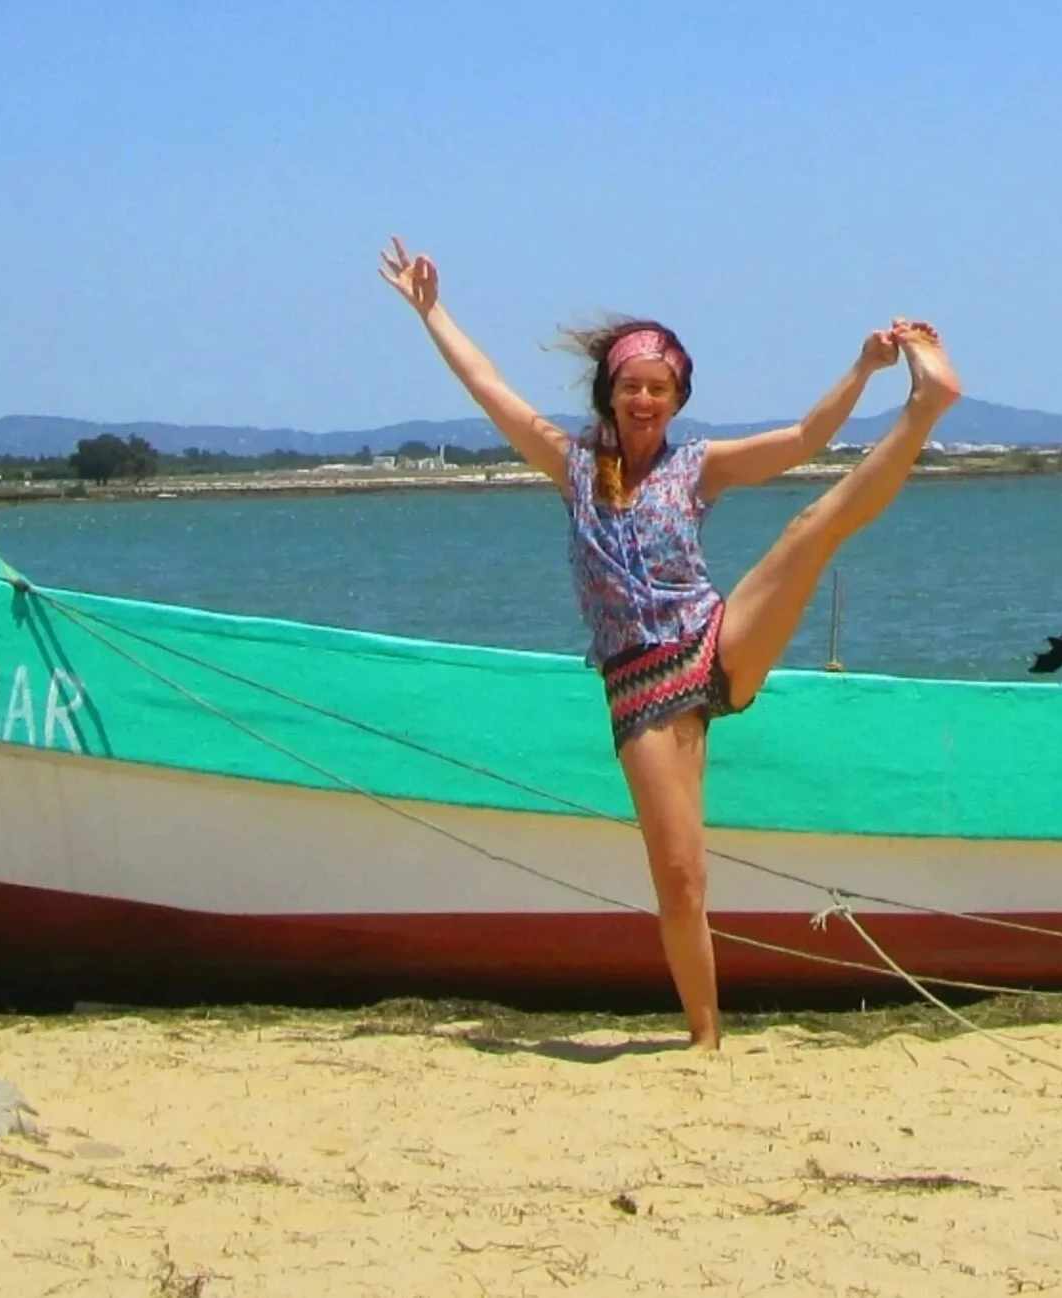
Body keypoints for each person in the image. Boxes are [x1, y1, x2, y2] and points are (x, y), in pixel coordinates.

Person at [379, 235, 960, 1049]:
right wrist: (432, 310)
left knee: (811, 526)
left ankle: (925, 407)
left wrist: (865, 369)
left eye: (659, 388)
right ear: (609, 395)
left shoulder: (698, 468)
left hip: (714, 642)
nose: (644, 400)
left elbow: (802, 439)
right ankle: (704, 1040)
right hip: (640, 689)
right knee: (681, 882)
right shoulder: (572, 464)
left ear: (677, 397)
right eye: (630, 387)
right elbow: (489, 387)